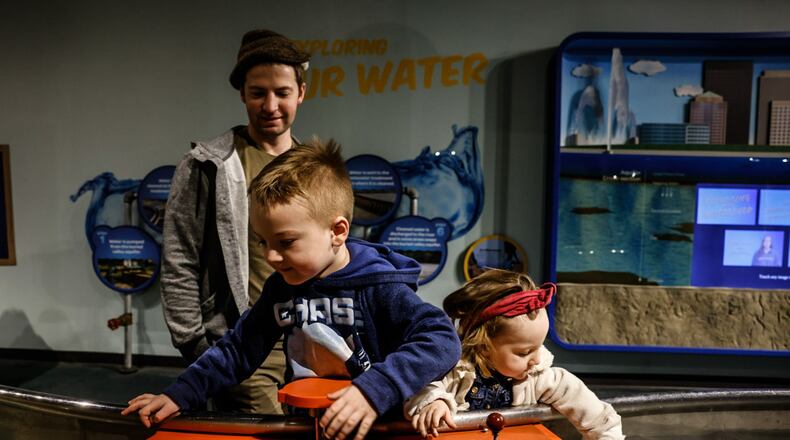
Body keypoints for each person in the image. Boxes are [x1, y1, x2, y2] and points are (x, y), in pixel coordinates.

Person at [123, 141, 462, 440]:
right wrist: (180, 394)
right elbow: (237, 349)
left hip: (374, 427)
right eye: (263, 242)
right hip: (306, 424)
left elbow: (441, 340)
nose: (270, 256)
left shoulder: (378, 286)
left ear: (337, 231)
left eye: (285, 242)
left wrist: (375, 391)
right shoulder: (280, 289)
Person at [158, 29, 310, 414]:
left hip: (311, 339)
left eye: (282, 92)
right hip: (241, 343)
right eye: (258, 92)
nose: (270, 105)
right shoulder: (208, 165)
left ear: (301, 93)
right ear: (242, 94)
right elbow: (180, 257)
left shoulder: (314, 167)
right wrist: (193, 343)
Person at [405, 269, 624, 439]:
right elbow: (421, 385)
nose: (537, 359)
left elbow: (601, 419)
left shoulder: (543, 378)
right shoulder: (452, 370)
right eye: (524, 352)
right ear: (483, 346)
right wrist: (434, 402)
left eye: (539, 346)